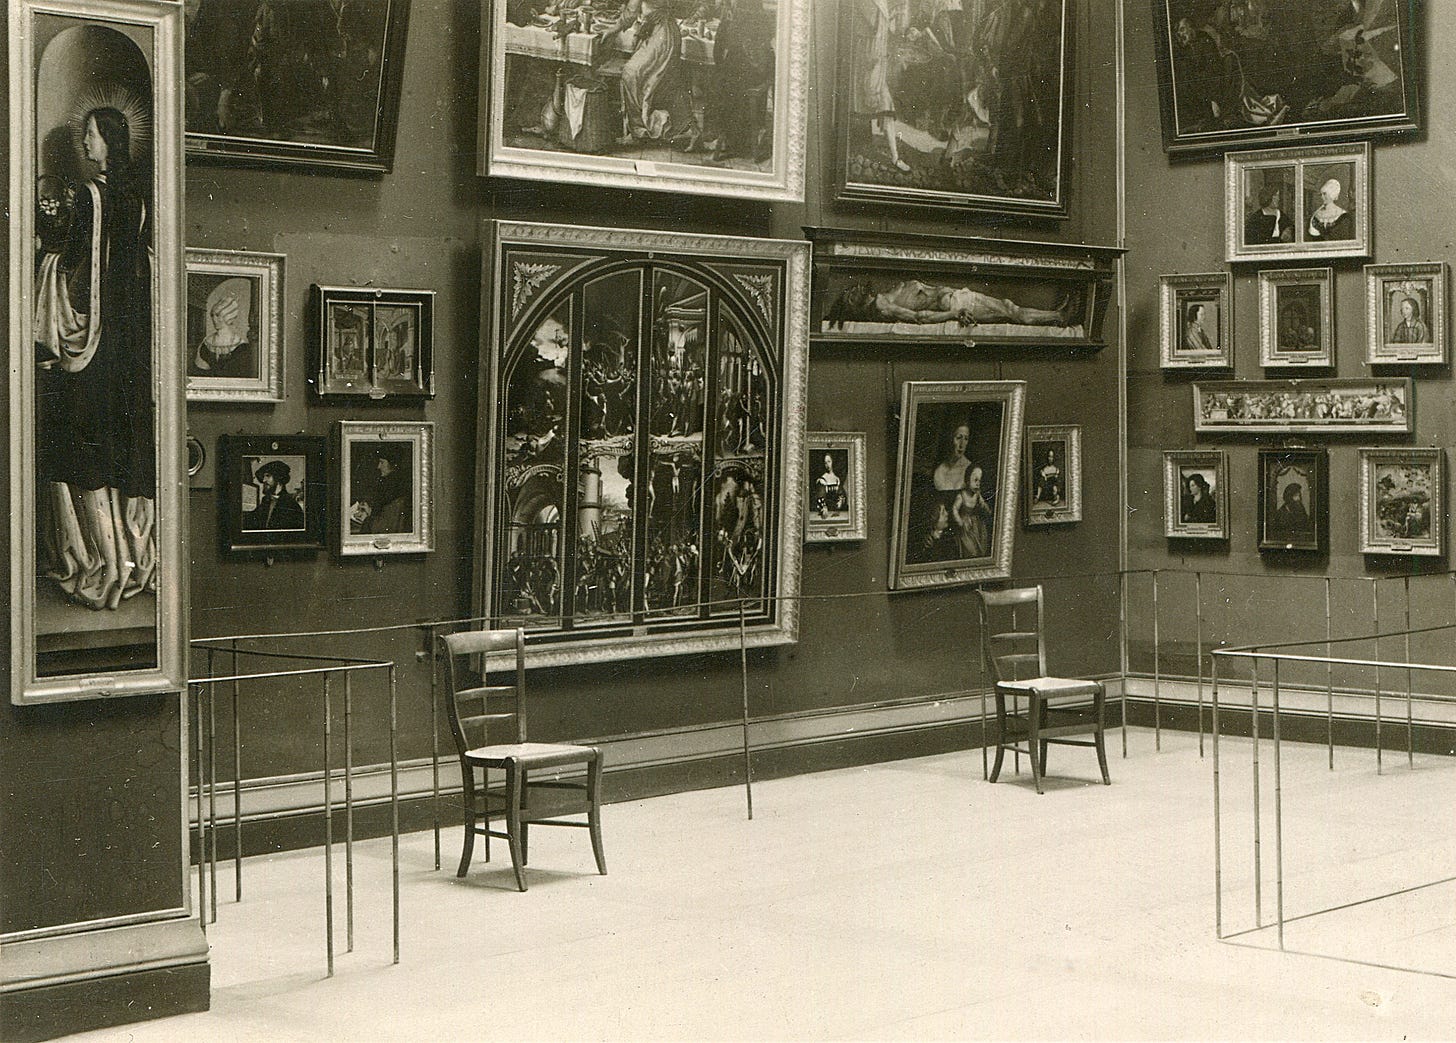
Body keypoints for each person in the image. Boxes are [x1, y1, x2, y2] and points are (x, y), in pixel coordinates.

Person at [34, 105, 156, 611]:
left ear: (108, 140)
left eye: (91, 134)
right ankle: (130, 558)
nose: (85, 142)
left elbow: (75, 265)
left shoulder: (89, 195)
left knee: (80, 442)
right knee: (117, 440)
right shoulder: (139, 198)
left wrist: (45, 252)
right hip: (128, 344)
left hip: (93, 343)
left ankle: (96, 559)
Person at [606, 0, 695, 145]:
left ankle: (639, 130)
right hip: (662, 33)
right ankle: (645, 126)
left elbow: (631, 12)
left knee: (631, 74)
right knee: (648, 78)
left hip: (662, 38)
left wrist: (611, 31)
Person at [827, 279, 1076, 329]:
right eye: (850, 295)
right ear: (854, 306)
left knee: (1008, 309)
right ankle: (1058, 317)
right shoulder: (883, 307)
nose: (854, 290)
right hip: (956, 302)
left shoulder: (883, 296)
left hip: (955, 297)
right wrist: (955, 313)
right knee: (1011, 309)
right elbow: (919, 317)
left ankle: (1056, 316)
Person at [854, 0, 911, 172]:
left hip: (876, 65)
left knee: (886, 106)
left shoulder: (882, 4)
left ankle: (895, 157)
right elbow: (869, 25)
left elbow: (886, 29)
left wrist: (895, 16)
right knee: (868, 104)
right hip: (863, 64)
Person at [190, 277, 255, 378]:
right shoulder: (207, 343)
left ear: (228, 316)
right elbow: (199, 372)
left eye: (218, 315)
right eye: (212, 315)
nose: (214, 319)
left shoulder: (241, 347)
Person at [350, 446, 411, 535]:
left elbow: (385, 522)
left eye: (382, 462)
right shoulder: (391, 482)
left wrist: (367, 517)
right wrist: (369, 511)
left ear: (392, 464)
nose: (378, 466)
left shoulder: (392, 485)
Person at [243, 460, 305, 531]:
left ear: (278, 478)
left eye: (267, 476)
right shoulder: (265, 501)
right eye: (264, 476)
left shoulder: (291, 505)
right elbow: (252, 520)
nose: (264, 480)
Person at [952, 464, 992, 558]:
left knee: (981, 545)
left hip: (976, 525)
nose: (978, 484)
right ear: (967, 480)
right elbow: (954, 509)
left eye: (979, 481)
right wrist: (960, 521)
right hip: (965, 526)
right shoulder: (961, 495)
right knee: (970, 549)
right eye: (975, 480)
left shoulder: (977, 495)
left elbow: (983, 504)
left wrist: (987, 509)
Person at [1243, 180, 1293, 245]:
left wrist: (1289, 233)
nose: (1278, 199)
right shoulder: (1256, 218)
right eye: (1275, 196)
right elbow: (1252, 241)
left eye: (1278, 196)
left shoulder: (1282, 216)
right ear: (1267, 197)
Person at [932, 423, 972, 493]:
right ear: (950, 439)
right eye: (958, 438)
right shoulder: (940, 470)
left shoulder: (971, 469)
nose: (962, 444)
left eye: (966, 439)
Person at [814, 453, 847, 518]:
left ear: (832, 462)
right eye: (825, 463)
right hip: (825, 513)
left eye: (829, 461)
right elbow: (820, 497)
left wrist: (840, 502)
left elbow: (841, 495)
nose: (827, 465)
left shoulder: (837, 479)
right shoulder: (822, 479)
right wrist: (823, 508)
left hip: (836, 512)